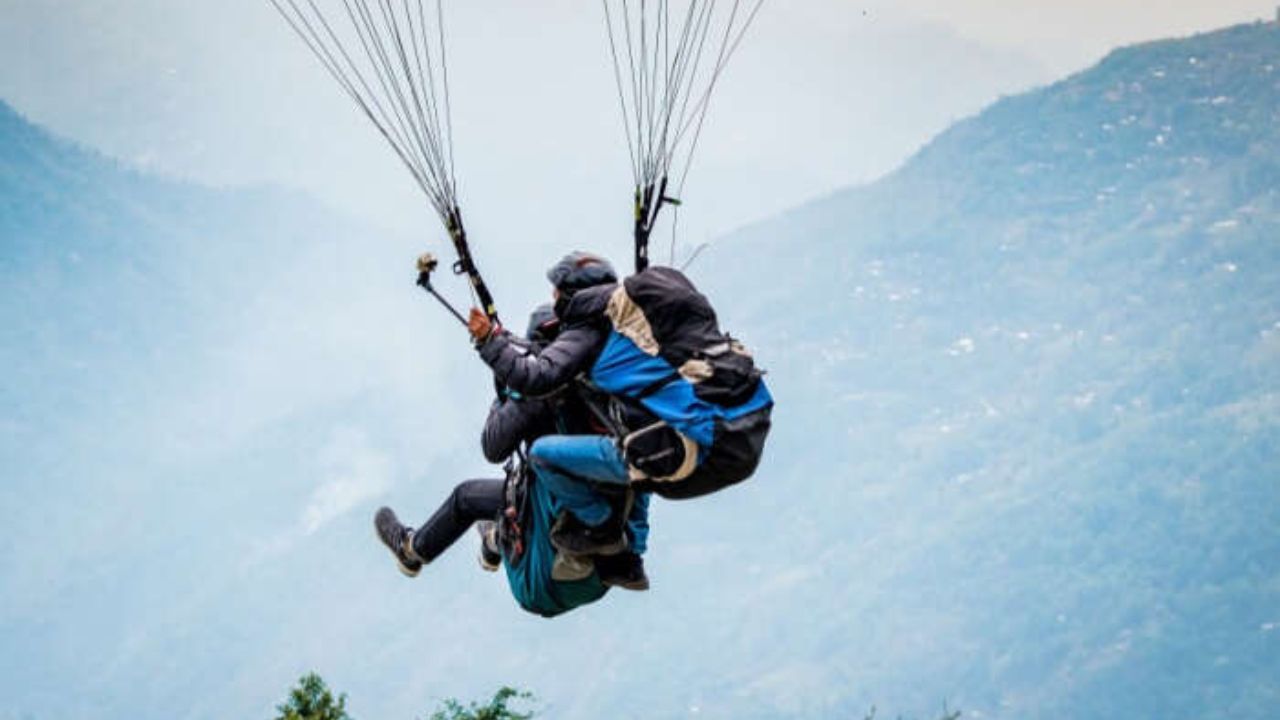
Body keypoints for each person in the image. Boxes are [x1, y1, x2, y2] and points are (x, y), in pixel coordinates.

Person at [373, 306, 648, 618]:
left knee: (466, 498)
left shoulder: (539, 394)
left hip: (553, 554)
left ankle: (415, 550)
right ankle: (494, 541)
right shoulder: (607, 389)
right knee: (506, 499)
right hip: (611, 556)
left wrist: (506, 391)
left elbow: (494, 447)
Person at [466, 252, 691, 557]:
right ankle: (632, 548)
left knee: (526, 464)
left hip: (575, 502)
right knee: (639, 451)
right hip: (643, 465)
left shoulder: (559, 372)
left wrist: (498, 376)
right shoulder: (619, 352)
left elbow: (494, 445)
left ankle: (593, 526)